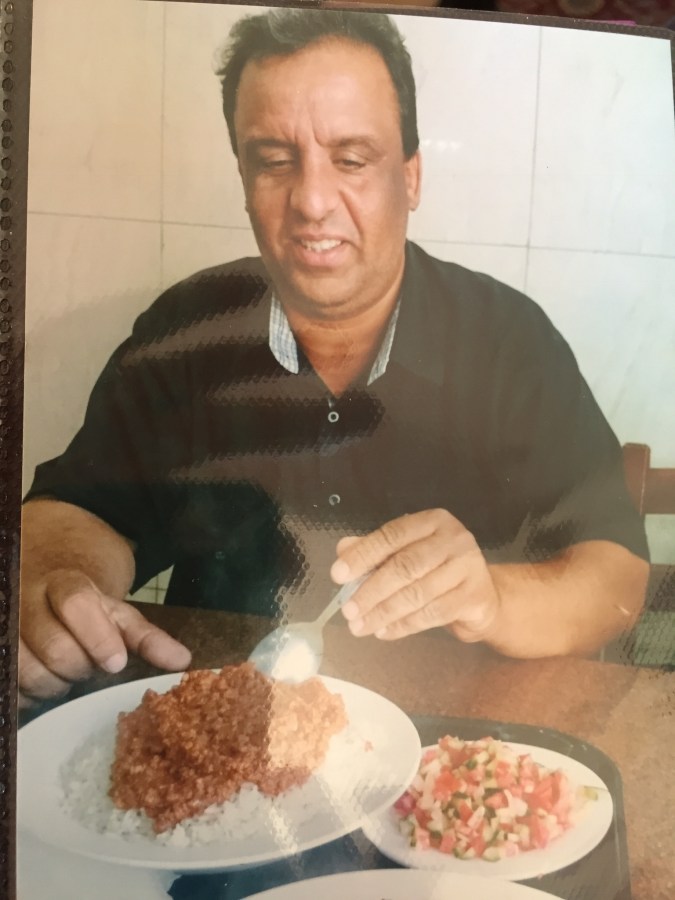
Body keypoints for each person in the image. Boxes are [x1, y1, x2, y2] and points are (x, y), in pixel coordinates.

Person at [19, 9, 649, 705]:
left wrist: (493, 598)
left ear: (410, 177)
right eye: (274, 160)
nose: (312, 202)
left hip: (452, 738)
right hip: (225, 733)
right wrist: (57, 584)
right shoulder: (186, 328)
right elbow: (76, 509)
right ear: (243, 178)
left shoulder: (509, 340)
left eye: (350, 160)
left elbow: (616, 574)